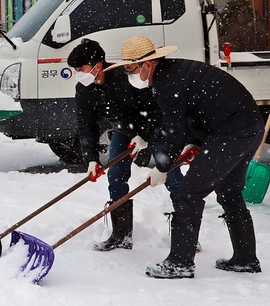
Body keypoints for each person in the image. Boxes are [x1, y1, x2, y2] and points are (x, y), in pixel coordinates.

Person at [107, 36, 265, 278]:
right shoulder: (172, 73)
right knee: (229, 192)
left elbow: (174, 128)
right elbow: (193, 113)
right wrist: (156, 139)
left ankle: (180, 262)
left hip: (231, 131)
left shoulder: (167, 82)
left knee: (190, 192)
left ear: (147, 64)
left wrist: (163, 166)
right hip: (247, 126)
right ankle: (245, 259)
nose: (129, 75)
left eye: (130, 69)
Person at [67, 38, 184, 251]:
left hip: (154, 129)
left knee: (172, 176)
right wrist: (91, 158)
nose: (78, 74)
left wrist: (146, 136)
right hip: (124, 131)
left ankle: (187, 236)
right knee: (115, 177)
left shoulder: (126, 78)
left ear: (98, 66)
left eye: (80, 69)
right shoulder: (84, 89)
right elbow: (86, 124)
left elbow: (157, 109)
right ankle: (121, 235)